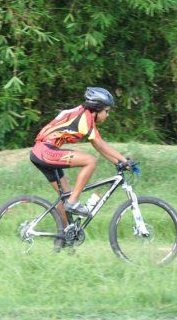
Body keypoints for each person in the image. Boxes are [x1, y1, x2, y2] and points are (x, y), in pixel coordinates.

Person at [30, 87, 132, 224]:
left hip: (41, 151)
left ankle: (65, 237)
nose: (107, 115)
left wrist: (117, 162)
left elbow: (98, 145)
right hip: (45, 151)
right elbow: (100, 144)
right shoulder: (84, 118)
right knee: (90, 161)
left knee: (64, 197)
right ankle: (73, 202)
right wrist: (124, 160)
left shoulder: (83, 114)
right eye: (106, 111)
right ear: (97, 109)